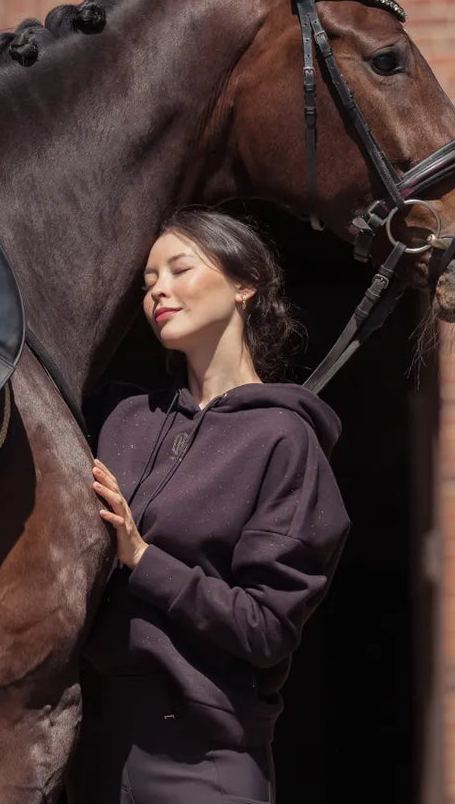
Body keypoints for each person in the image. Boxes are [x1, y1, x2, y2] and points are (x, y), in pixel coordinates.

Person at [71, 207, 350, 804]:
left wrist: (143, 559)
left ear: (245, 283)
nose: (158, 291)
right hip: (89, 753)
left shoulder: (282, 439)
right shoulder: (119, 420)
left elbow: (267, 627)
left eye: (178, 269)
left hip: (202, 762)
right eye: (147, 282)